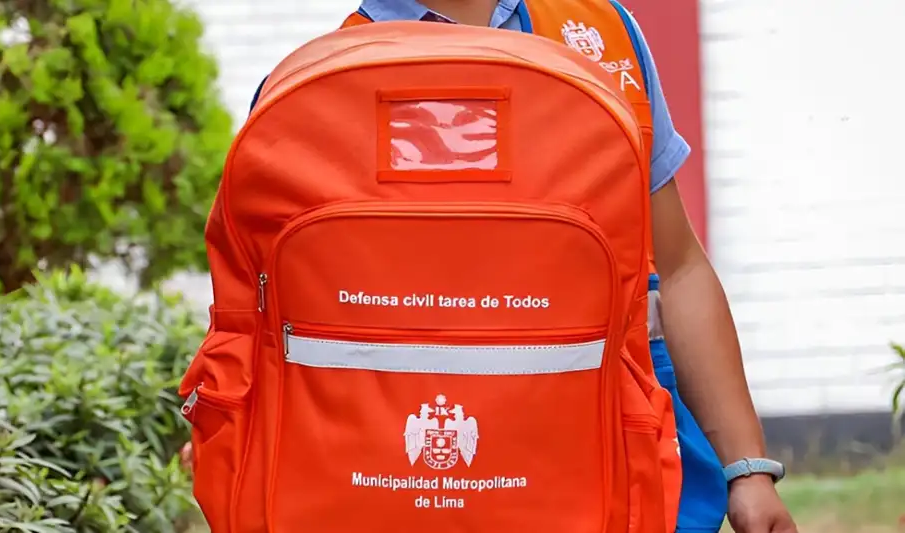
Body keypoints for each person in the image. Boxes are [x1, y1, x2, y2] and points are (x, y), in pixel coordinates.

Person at [241, 2, 799, 532]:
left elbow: (678, 269)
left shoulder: (602, 32)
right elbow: (276, 324)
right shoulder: (322, 82)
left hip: (620, 460)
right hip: (403, 486)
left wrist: (747, 467)